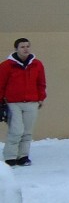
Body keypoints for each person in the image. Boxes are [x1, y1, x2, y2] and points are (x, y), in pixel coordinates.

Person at [1, 38, 47, 167]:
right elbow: (1, 84)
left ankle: (23, 156)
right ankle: (10, 157)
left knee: (27, 131)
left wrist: (41, 97)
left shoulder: (37, 64)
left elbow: (41, 82)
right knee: (16, 130)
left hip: (31, 102)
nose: (25, 49)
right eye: (22, 47)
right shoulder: (6, 65)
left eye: (27, 46)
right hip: (12, 103)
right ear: (16, 49)